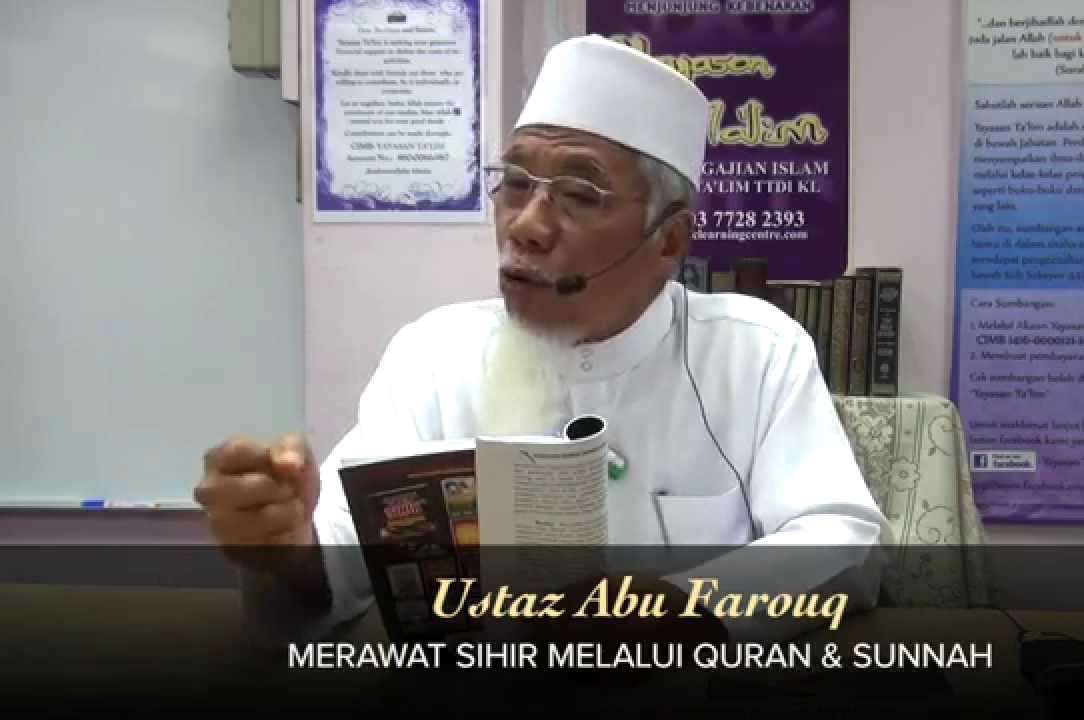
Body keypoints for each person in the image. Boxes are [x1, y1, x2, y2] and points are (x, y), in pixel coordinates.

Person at [195, 34, 891, 645]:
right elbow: (345, 557)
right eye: (514, 183)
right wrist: (289, 551)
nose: (526, 225)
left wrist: (684, 607)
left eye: (580, 194)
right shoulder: (434, 355)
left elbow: (844, 540)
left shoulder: (755, 352)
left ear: (669, 239)